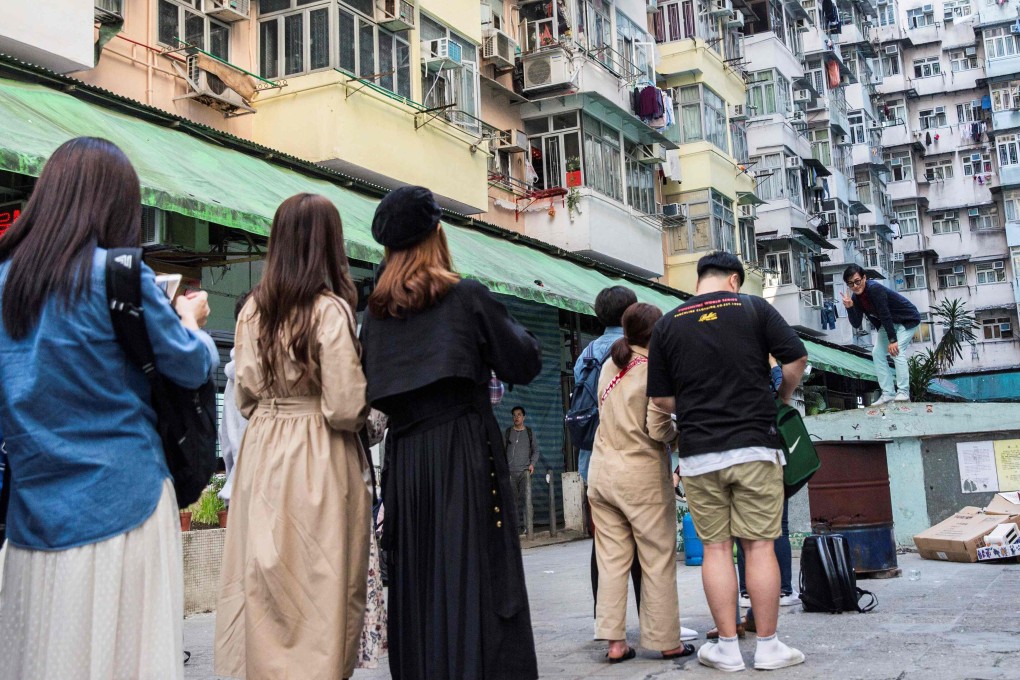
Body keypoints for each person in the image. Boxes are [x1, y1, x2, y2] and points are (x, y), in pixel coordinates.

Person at [0, 137, 216, 680]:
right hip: (127, 505)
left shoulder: (5, 282)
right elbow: (191, 367)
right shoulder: (116, 274)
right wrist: (191, 321)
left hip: (32, 518)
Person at [359, 185, 542, 680]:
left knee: (419, 583)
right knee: (475, 576)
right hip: (464, 453)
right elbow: (525, 360)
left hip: (408, 468)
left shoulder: (374, 319)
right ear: (437, 235)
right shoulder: (466, 298)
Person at [214, 194, 371, 680]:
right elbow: (345, 405)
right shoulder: (329, 310)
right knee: (323, 582)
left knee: (261, 578)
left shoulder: (251, 311)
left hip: (262, 449)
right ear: (330, 243)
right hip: (319, 449)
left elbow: (242, 396)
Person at [647, 251, 808, 672]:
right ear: (734, 280)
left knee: (717, 549)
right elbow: (796, 359)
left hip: (700, 454)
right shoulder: (753, 308)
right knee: (759, 546)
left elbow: (661, 400)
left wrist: (698, 406)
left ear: (700, 280)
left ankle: (728, 650)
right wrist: (782, 397)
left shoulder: (668, 322)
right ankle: (769, 647)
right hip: (756, 445)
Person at [587, 302, 695, 663]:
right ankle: (667, 642)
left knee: (612, 560)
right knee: (657, 558)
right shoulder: (654, 370)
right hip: (640, 477)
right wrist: (680, 437)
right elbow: (658, 428)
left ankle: (615, 643)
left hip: (602, 474)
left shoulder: (609, 365)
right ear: (658, 334)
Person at [575, 286, 645, 616]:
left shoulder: (586, 353)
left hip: (593, 463)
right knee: (644, 543)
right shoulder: (636, 351)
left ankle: (603, 619)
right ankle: (651, 617)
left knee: (602, 543)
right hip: (631, 461)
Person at [841, 263, 921, 406]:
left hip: (906, 319)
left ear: (864, 278)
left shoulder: (874, 289)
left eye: (857, 281)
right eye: (851, 284)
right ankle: (888, 394)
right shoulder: (856, 297)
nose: (855, 286)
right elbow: (856, 323)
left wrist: (892, 340)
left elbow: (885, 313)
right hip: (888, 324)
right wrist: (849, 308)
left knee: (897, 351)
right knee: (877, 353)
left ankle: (903, 392)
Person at [218, 291, 251, 505]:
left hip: (239, 487)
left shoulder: (233, 375)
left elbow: (226, 440)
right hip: (271, 488)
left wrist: (232, 474)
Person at [505, 405, 540, 531]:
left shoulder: (529, 433)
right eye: (514, 415)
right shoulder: (508, 432)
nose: (516, 417)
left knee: (527, 501)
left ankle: (528, 528)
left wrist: (532, 464)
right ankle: (513, 529)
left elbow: (536, 451)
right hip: (510, 473)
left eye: (519, 415)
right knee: (511, 503)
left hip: (525, 473)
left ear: (523, 417)